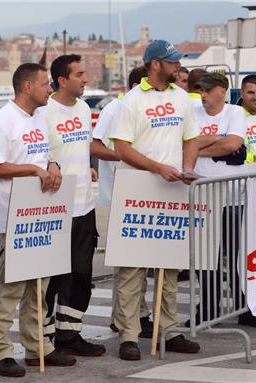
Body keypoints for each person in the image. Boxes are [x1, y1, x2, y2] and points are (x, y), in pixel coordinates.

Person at [108, 39, 201, 361]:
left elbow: (191, 138)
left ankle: (170, 329)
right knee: (133, 269)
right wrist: (157, 167)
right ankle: (129, 334)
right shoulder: (131, 101)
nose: (178, 66)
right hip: (138, 190)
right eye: (172, 61)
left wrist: (187, 168)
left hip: (172, 189)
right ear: (155, 64)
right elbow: (121, 148)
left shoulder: (182, 98)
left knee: (170, 266)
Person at [0, 63, 75, 377]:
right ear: (27, 86)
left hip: (39, 219)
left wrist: (53, 165)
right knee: (9, 291)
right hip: (10, 221)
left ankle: (38, 348)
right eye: (45, 84)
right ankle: (0, 353)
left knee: (39, 290)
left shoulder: (38, 118)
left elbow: (41, 156)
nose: (49, 89)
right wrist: (35, 171)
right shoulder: (3, 121)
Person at [39, 54, 106, 356]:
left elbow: (85, 144)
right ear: (62, 80)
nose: (86, 79)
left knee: (81, 275)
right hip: (55, 208)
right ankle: (44, 338)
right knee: (52, 278)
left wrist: (91, 164)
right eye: (80, 74)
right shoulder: (44, 112)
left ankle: (70, 334)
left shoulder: (82, 107)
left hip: (84, 205)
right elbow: (40, 154)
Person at [193, 72, 256, 327]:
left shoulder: (233, 113)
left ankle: (243, 305)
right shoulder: (193, 111)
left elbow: (233, 144)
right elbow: (185, 144)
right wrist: (216, 140)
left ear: (221, 91)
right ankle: (208, 306)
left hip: (232, 197)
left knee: (236, 253)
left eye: (206, 90)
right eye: (200, 90)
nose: (202, 95)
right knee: (206, 256)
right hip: (202, 197)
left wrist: (198, 148)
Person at [90, 65, 153, 337]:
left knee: (139, 261)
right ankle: (126, 316)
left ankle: (137, 312)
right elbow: (95, 145)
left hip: (143, 193)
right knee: (127, 263)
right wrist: (126, 157)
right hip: (121, 193)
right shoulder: (115, 109)